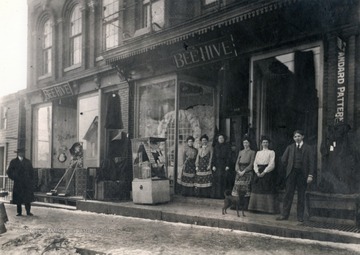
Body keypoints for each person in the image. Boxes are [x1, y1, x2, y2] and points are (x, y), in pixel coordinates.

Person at [277, 130, 315, 222]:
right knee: (288, 194)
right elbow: (283, 160)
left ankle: (300, 216)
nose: (297, 138)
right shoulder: (290, 147)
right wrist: (289, 168)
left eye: (298, 136)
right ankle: (284, 215)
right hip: (292, 173)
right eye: (295, 137)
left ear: (303, 137)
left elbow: (312, 163)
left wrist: (310, 175)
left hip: (303, 174)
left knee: (301, 195)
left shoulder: (308, 148)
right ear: (293, 138)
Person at [248, 136, 278, 213]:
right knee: (256, 188)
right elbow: (255, 163)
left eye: (266, 142)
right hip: (258, 171)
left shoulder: (271, 152)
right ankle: (255, 208)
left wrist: (264, 172)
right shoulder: (258, 152)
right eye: (263, 142)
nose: (265, 144)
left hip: (267, 173)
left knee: (266, 188)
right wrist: (257, 172)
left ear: (268, 143)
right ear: (261, 144)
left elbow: (272, 164)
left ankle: (267, 209)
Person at [7, 148, 34, 216]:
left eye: (23, 152)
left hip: (26, 183)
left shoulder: (28, 162)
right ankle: (19, 212)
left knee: (27, 198)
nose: (22, 154)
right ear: (18, 153)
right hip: (18, 183)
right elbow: (9, 172)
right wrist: (14, 177)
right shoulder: (13, 162)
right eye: (20, 152)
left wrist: (30, 180)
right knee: (18, 198)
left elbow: (32, 172)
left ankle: (28, 211)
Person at [231, 137, 256, 208]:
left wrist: (244, 171)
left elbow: (251, 163)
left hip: (247, 172)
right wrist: (238, 170)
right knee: (237, 187)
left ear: (249, 144)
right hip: (239, 171)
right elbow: (237, 163)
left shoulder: (252, 152)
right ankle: (236, 205)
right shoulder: (240, 152)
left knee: (246, 188)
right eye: (244, 143)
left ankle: (245, 205)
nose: (245, 144)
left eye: (247, 143)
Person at [211, 134, 231, 199]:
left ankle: (222, 195)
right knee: (216, 180)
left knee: (223, 180)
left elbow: (229, 157)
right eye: (220, 138)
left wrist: (227, 165)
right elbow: (213, 157)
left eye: (222, 138)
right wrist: (213, 165)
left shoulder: (227, 146)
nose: (221, 139)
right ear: (218, 139)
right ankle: (216, 195)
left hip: (224, 165)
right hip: (217, 165)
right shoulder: (216, 147)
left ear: (224, 139)